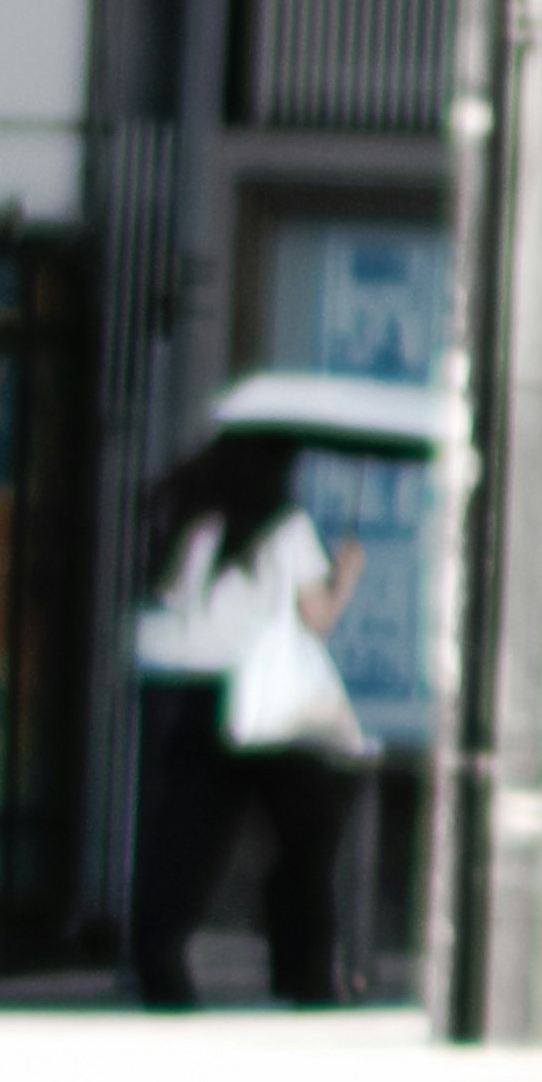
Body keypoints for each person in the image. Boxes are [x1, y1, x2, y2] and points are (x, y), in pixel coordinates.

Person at [129, 425, 365, 1007]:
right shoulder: (286, 526)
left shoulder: (194, 521)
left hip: (193, 694)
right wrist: (347, 574)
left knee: (184, 837)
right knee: (304, 841)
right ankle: (304, 974)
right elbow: (317, 618)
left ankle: (159, 964)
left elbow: (171, 598)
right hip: (266, 704)